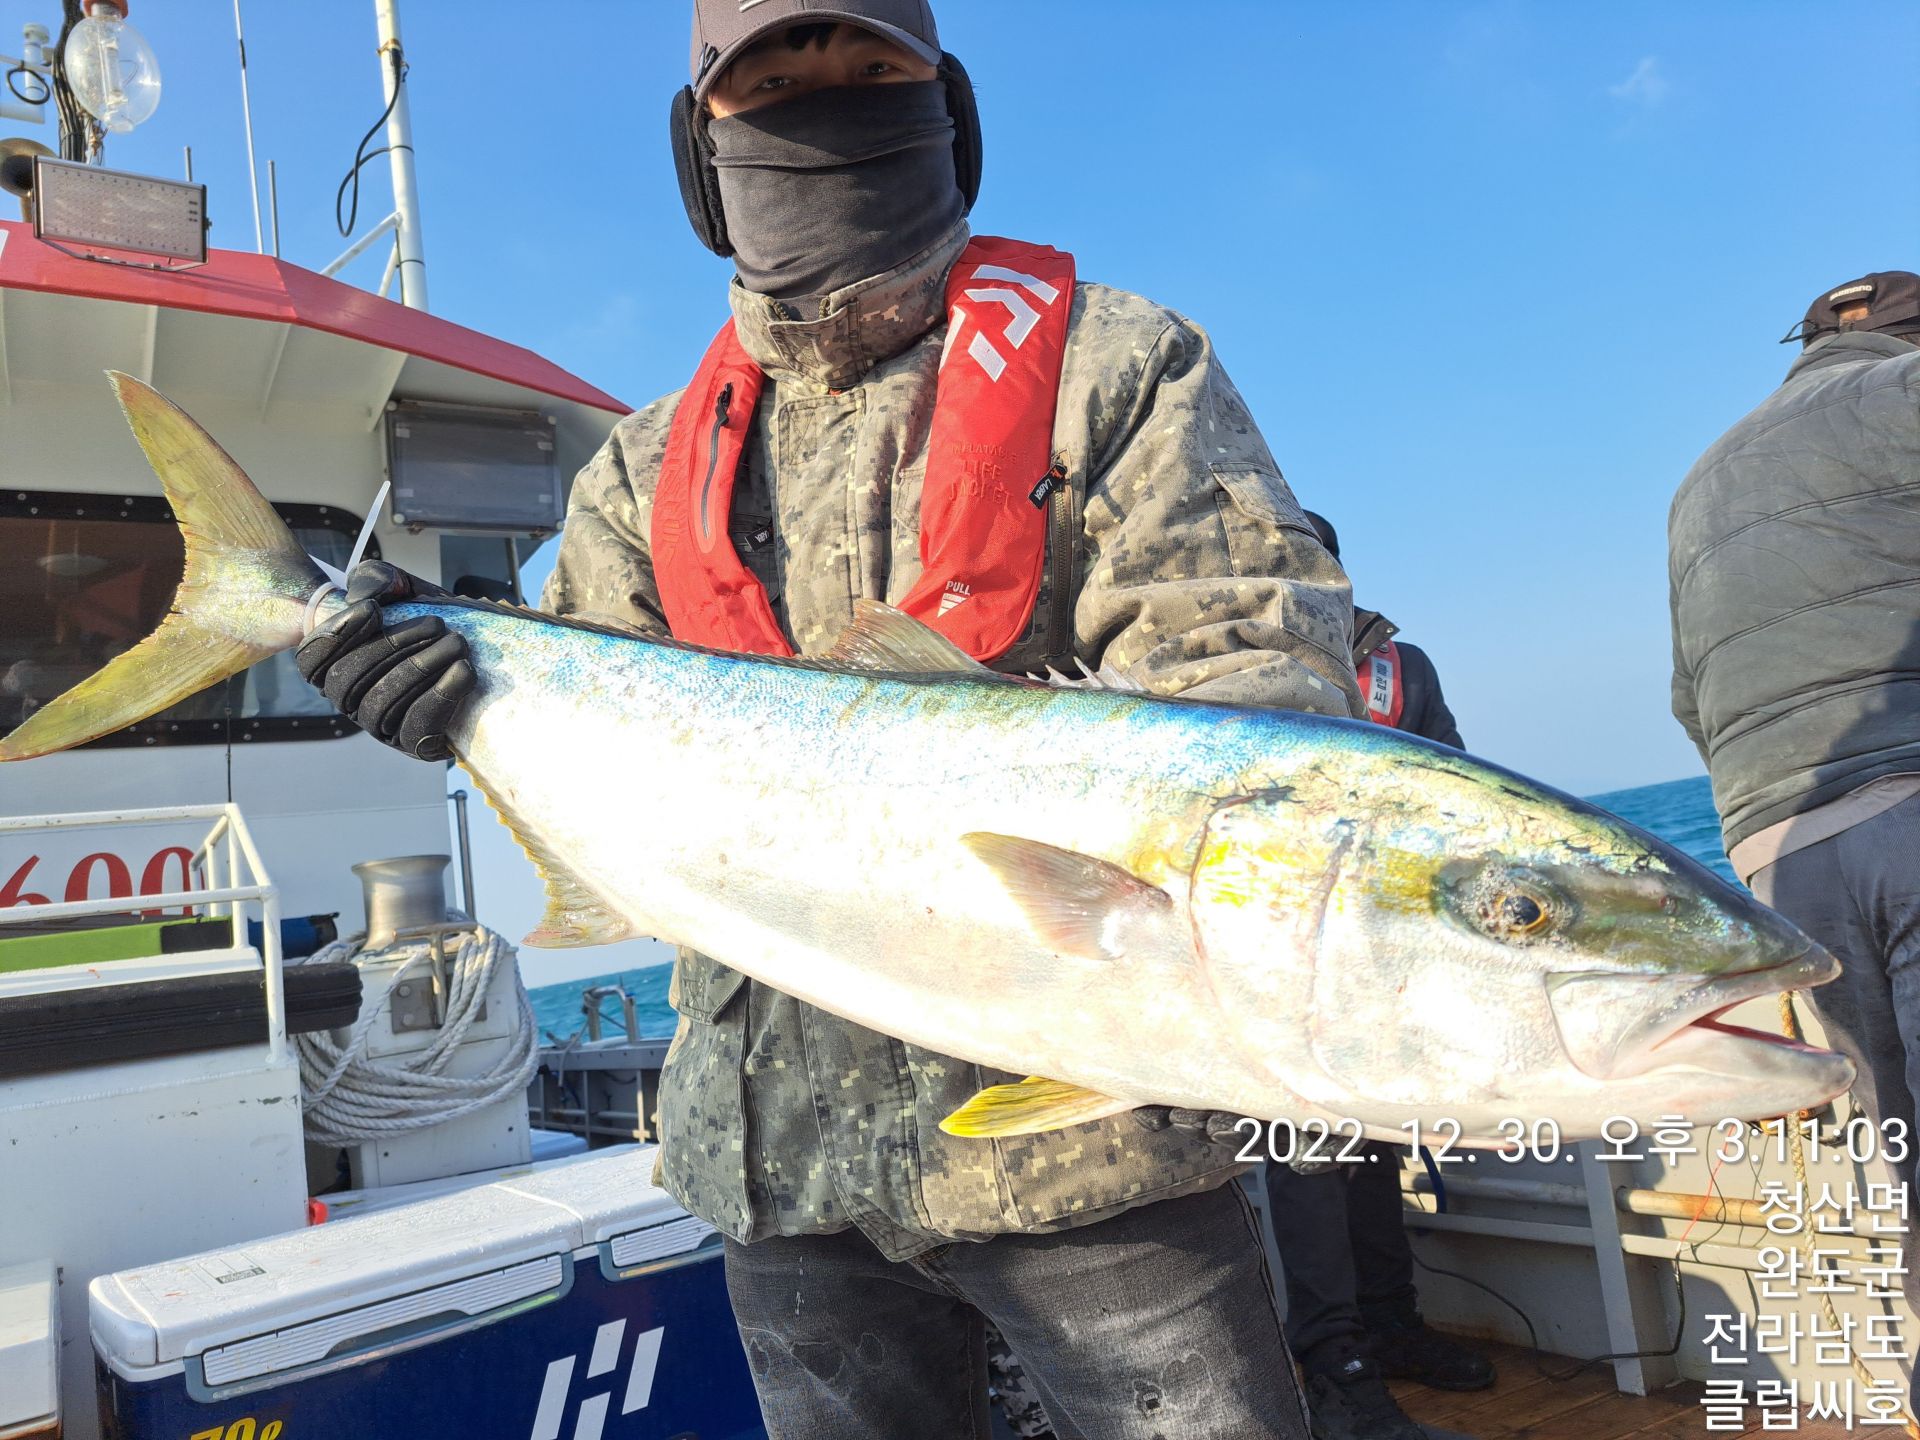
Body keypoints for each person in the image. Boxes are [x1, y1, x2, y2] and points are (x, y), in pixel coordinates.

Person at [296, 4, 1365, 1436]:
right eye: (778, 90)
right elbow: (604, 780)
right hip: (778, 1161)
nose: (829, 116)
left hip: (1101, 1141)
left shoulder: (1116, 367)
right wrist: (445, 694)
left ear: (950, 118)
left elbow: (1252, 689)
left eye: (873, 78)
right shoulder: (641, 471)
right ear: (705, 155)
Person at [1669, 271, 1920, 1352]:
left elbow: (1690, 701)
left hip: (1778, 853)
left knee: (1899, 1146)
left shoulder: (1699, 480)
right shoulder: (1907, 392)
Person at [1260, 512, 1491, 1440]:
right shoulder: (1233, 671)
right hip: (1275, 969)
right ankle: (1335, 1367)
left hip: (1382, 971)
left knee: (1374, 1152)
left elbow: (1460, 799)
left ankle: (1392, 1327)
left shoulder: (1406, 671)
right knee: (1307, 1160)